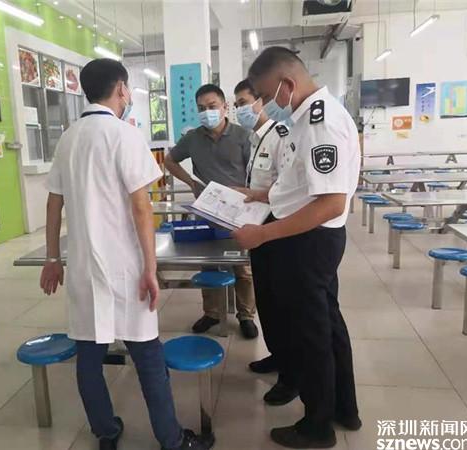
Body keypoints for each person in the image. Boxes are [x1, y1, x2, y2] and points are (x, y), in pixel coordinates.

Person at [40, 58, 212, 450]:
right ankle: (171, 440)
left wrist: (52, 259)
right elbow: (141, 208)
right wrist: (151, 268)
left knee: (89, 358)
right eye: (128, 87)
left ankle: (106, 431)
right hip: (125, 266)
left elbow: (53, 204)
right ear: (120, 89)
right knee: (148, 356)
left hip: (83, 267)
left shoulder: (68, 138)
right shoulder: (125, 135)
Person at [232, 47, 361, 449]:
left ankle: (317, 426)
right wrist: (260, 195)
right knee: (328, 325)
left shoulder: (321, 123)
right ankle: (344, 408)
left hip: (310, 240)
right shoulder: (308, 118)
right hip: (310, 236)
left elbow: (331, 203)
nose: (265, 103)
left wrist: (263, 235)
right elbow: (302, 184)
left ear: (286, 84)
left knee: (312, 334)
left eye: (265, 94)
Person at [164, 84, 258, 339]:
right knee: (209, 264)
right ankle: (212, 312)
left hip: (239, 211)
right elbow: (170, 160)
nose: (207, 112)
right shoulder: (193, 139)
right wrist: (191, 182)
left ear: (225, 107)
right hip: (207, 210)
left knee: (243, 268)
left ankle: (246, 315)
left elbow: (255, 171)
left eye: (212, 106)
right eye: (201, 108)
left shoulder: (243, 136)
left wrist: (250, 194)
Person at [233, 79, 291, 376]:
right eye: (237, 105)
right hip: (257, 226)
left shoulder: (281, 136)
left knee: (281, 302)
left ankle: (290, 372)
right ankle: (276, 354)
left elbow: (289, 189)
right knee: (265, 298)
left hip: (277, 228)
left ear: (261, 102)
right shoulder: (255, 139)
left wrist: (253, 194)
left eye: (243, 103)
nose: (239, 110)